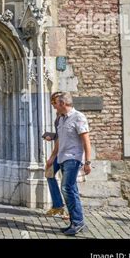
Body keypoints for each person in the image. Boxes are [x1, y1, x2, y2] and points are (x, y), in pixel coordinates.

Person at [46, 91, 92, 236]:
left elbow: (86, 141)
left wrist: (88, 162)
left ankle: (77, 222)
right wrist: (52, 157)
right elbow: (60, 140)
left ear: (63, 103)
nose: (54, 107)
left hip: (73, 158)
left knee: (67, 187)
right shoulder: (60, 119)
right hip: (61, 157)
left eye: (56, 104)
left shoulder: (78, 117)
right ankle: (74, 220)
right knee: (53, 176)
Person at [43, 91, 66, 217]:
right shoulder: (58, 116)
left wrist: (52, 157)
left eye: (54, 102)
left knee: (68, 184)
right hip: (60, 151)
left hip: (65, 154)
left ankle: (68, 211)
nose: (52, 104)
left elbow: (62, 138)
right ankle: (58, 205)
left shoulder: (65, 116)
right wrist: (52, 136)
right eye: (52, 101)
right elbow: (59, 136)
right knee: (49, 174)